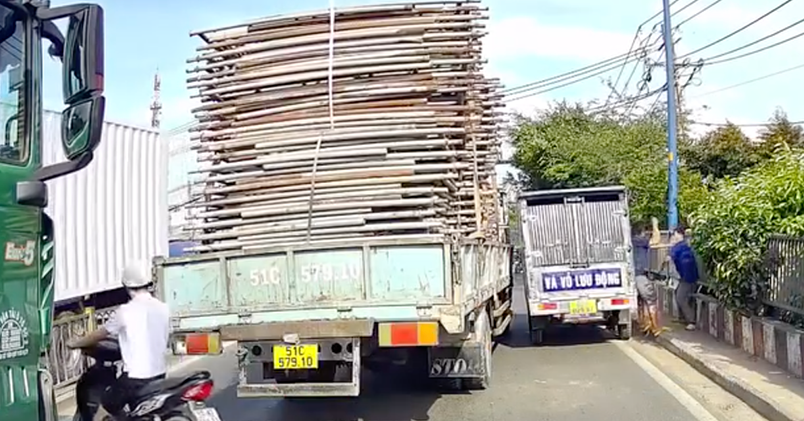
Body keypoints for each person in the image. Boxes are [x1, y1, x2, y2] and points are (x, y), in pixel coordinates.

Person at [67, 260, 170, 416]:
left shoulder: (125, 311)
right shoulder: (163, 308)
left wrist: (76, 343)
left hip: (136, 379)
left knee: (108, 402)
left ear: (126, 286)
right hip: (160, 375)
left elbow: (99, 334)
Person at [668, 225, 700, 331]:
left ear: (678, 234)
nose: (673, 236)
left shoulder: (678, 246)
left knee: (680, 297)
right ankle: (682, 318)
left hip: (687, 277)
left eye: (674, 234)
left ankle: (691, 321)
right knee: (678, 293)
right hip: (688, 276)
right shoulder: (685, 246)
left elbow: (669, 258)